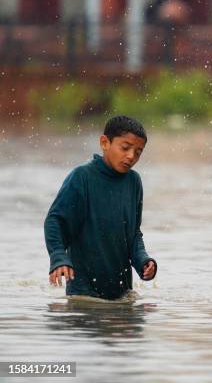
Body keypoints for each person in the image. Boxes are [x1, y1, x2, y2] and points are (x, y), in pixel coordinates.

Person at [44, 116, 157, 300]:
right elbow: (55, 221)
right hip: (84, 294)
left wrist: (143, 261)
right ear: (105, 142)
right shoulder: (82, 177)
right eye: (125, 147)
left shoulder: (134, 182)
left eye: (138, 152)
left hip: (121, 294)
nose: (131, 156)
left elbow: (133, 234)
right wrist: (58, 257)